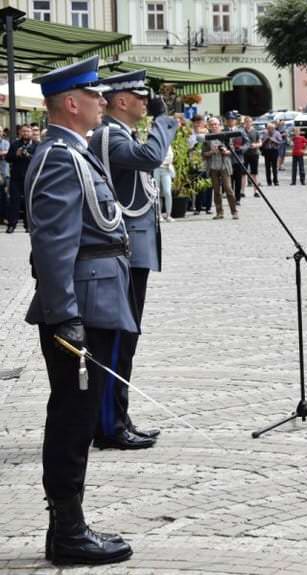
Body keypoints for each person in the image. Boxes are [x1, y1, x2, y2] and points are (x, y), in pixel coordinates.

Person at [27, 55, 136, 566]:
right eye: (94, 94)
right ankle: (68, 533)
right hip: (82, 308)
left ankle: (69, 527)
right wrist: (64, 316)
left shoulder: (74, 152)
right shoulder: (58, 157)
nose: (102, 101)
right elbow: (53, 246)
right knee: (72, 419)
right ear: (71, 103)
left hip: (97, 301)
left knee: (79, 415)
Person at [88, 70, 178, 449]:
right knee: (118, 342)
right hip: (121, 253)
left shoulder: (120, 134)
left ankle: (119, 417)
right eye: (141, 97)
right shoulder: (110, 135)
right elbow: (152, 157)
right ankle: (109, 426)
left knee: (127, 340)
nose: (147, 102)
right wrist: (164, 119)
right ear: (121, 100)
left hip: (132, 252)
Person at [203, 116, 239, 219]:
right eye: (212, 124)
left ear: (219, 125)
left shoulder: (225, 135)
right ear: (209, 126)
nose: (214, 126)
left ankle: (234, 211)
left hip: (224, 166)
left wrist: (225, 151)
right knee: (216, 191)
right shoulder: (207, 137)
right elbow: (204, 154)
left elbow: (231, 150)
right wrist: (212, 152)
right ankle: (219, 212)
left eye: (216, 124)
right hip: (213, 167)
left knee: (228, 189)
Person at [6, 124, 36, 233]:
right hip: (16, 177)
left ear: (31, 133)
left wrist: (28, 155)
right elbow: (8, 158)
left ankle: (28, 225)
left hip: (30, 177)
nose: (25, 133)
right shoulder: (15, 144)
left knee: (29, 202)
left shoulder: (36, 145)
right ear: (20, 132)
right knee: (14, 201)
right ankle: (11, 225)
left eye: (28, 131)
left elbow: (38, 160)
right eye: (23, 131)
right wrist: (16, 154)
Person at [225, 111, 249, 204]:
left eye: (232, 120)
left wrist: (242, 148)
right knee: (228, 181)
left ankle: (238, 198)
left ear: (235, 121)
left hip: (238, 158)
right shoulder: (224, 130)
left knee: (238, 179)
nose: (230, 121)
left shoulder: (240, 131)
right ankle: (230, 198)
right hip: (227, 159)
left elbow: (247, 142)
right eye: (229, 120)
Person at [154, 143, 175, 222]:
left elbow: (170, 156)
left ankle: (168, 215)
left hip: (166, 169)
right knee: (157, 192)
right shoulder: (155, 144)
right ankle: (159, 215)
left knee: (167, 192)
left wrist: (162, 161)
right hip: (156, 169)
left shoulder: (168, 144)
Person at [242, 115, 261, 195]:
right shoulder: (242, 131)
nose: (248, 123)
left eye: (249, 122)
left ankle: (256, 191)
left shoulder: (256, 132)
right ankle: (242, 191)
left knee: (254, 173)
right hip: (244, 154)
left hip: (254, 154)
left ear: (252, 122)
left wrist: (256, 145)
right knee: (243, 173)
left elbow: (260, 142)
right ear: (244, 123)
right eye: (246, 122)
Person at [0, 127, 8, 225]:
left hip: (4, 172)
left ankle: (3, 217)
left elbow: (8, 152)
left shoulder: (6, 143)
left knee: (4, 196)